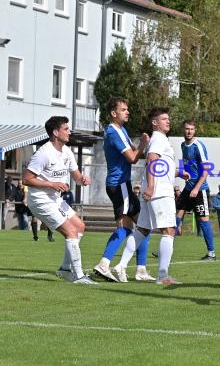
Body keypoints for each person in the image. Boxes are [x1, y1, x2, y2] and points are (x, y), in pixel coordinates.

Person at [22, 116, 97, 284]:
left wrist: (82, 180)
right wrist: (51, 184)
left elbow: (76, 176)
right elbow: (26, 179)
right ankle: (78, 276)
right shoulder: (43, 153)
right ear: (56, 133)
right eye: (66, 129)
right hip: (40, 200)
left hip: (55, 199)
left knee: (79, 226)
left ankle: (64, 269)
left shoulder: (67, 151)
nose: (69, 132)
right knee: (71, 232)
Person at [113, 107, 183, 285]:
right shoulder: (159, 139)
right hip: (159, 193)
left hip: (153, 191)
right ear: (155, 122)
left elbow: (160, 166)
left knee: (143, 230)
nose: (168, 121)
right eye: (164, 119)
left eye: (168, 118)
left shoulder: (159, 139)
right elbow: (152, 160)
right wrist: (152, 187)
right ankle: (163, 275)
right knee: (169, 231)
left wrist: (178, 173)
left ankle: (120, 266)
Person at [92, 97, 153, 283]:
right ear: (113, 113)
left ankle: (141, 269)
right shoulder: (113, 131)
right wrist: (143, 143)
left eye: (127, 109)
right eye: (124, 109)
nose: (127, 112)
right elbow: (132, 158)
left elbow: (136, 153)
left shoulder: (122, 130)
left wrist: (153, 154)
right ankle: (103, 265)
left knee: (144, 226)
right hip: (119, 184)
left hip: (122, 184)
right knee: (126, 228)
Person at [176, 120, 217, 260]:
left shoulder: (198, 146)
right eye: (187, 129)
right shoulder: (183, 145)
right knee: (175, 218)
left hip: (200, 190)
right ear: (183, 129)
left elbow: (206, 170)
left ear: (195, 130)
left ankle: (211, 253)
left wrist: (197, 188)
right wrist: (183, 174)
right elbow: (187, 166)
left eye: (192, 129)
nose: (189, 131)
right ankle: (166, 248)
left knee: (203, 221)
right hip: (188, 188)